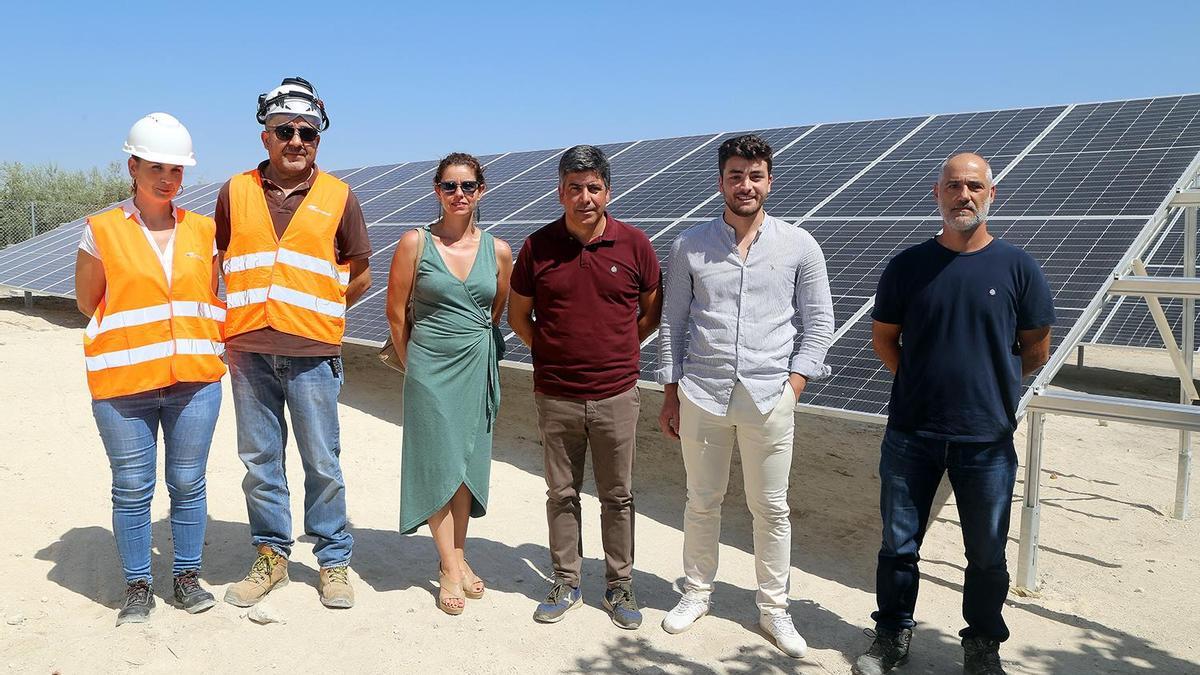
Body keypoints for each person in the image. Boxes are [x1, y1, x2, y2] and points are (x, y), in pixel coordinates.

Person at [851, 153, 1054, 675]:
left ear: (991, 195)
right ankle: (892, 634)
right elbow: (884, 339)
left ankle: (982, 644)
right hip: (910, 434)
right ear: (936, 194)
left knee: (986, 553)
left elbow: (1036, 348)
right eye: (953, 186)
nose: (964, 195)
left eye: (974, 186)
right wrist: (922, 384)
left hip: (986, 440)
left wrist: (989, 388)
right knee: (898, 546)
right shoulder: (907, 267)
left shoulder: (1018, 267)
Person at [655, 134, 835, 657]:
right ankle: (696, 593)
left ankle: (775, 610)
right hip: (702, 395)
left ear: (769, 182)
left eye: (755, 176)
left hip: (769, 396)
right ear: (721, 182)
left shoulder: (800, 245)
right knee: (701, 501)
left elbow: (819, 323)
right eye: (736, 175)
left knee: (771, 508)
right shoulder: (690, 245)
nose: (746, 185)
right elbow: (673, 323)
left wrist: (795, 384)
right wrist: (671, 393)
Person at [218, 77, 372, 610]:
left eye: (307, 131)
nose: (296, 140)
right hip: (248, 350)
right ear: (265, 135)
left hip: (312, 353)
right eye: (285, 130)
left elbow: (360, 274)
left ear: (318, 138)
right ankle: (272, 556)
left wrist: (322, 314)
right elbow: (219, 260)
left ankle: (333, 560)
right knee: (261, 459)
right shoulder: (234, 191)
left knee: (321, 461)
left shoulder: (338, 196)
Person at [74, 113, 226, 625]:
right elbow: (87, 302)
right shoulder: (101, 230)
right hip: (124, 384)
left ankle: (185, 577)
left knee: (188, 482)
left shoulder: (204, 231)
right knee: (133, 486)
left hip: (194, 382)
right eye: (157, 166)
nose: (168, 178)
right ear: (133, 166)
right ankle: (137, 585)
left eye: (177, 170)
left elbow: (208, 295)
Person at [508, 145, 662, 629]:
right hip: (556, 395)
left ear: (608, 192)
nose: (584, 197)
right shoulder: (538, 246)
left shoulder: (635, 244)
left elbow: (650, 312)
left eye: (593, 187)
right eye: (574, 188)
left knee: (619, 495)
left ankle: (619, 585)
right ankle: (566, 580)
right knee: (561, 492)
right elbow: (518, 316)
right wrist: (553, 355)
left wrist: (615, 353)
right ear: (560, 192)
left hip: (617, 393)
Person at [385, 152, 512, 615]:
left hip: (476, 365)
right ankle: (447, 567)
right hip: (429, 368)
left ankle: (457, 556)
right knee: (436, 462)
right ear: (436, 190)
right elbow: (396, 314)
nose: (459, 194)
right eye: (450, 186)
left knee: (466, 466)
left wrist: (473, 347)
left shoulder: (498, 250)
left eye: (468, 186)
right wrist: (413, 366)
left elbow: (494, 313)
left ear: (482, 190)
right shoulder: (413, 243)